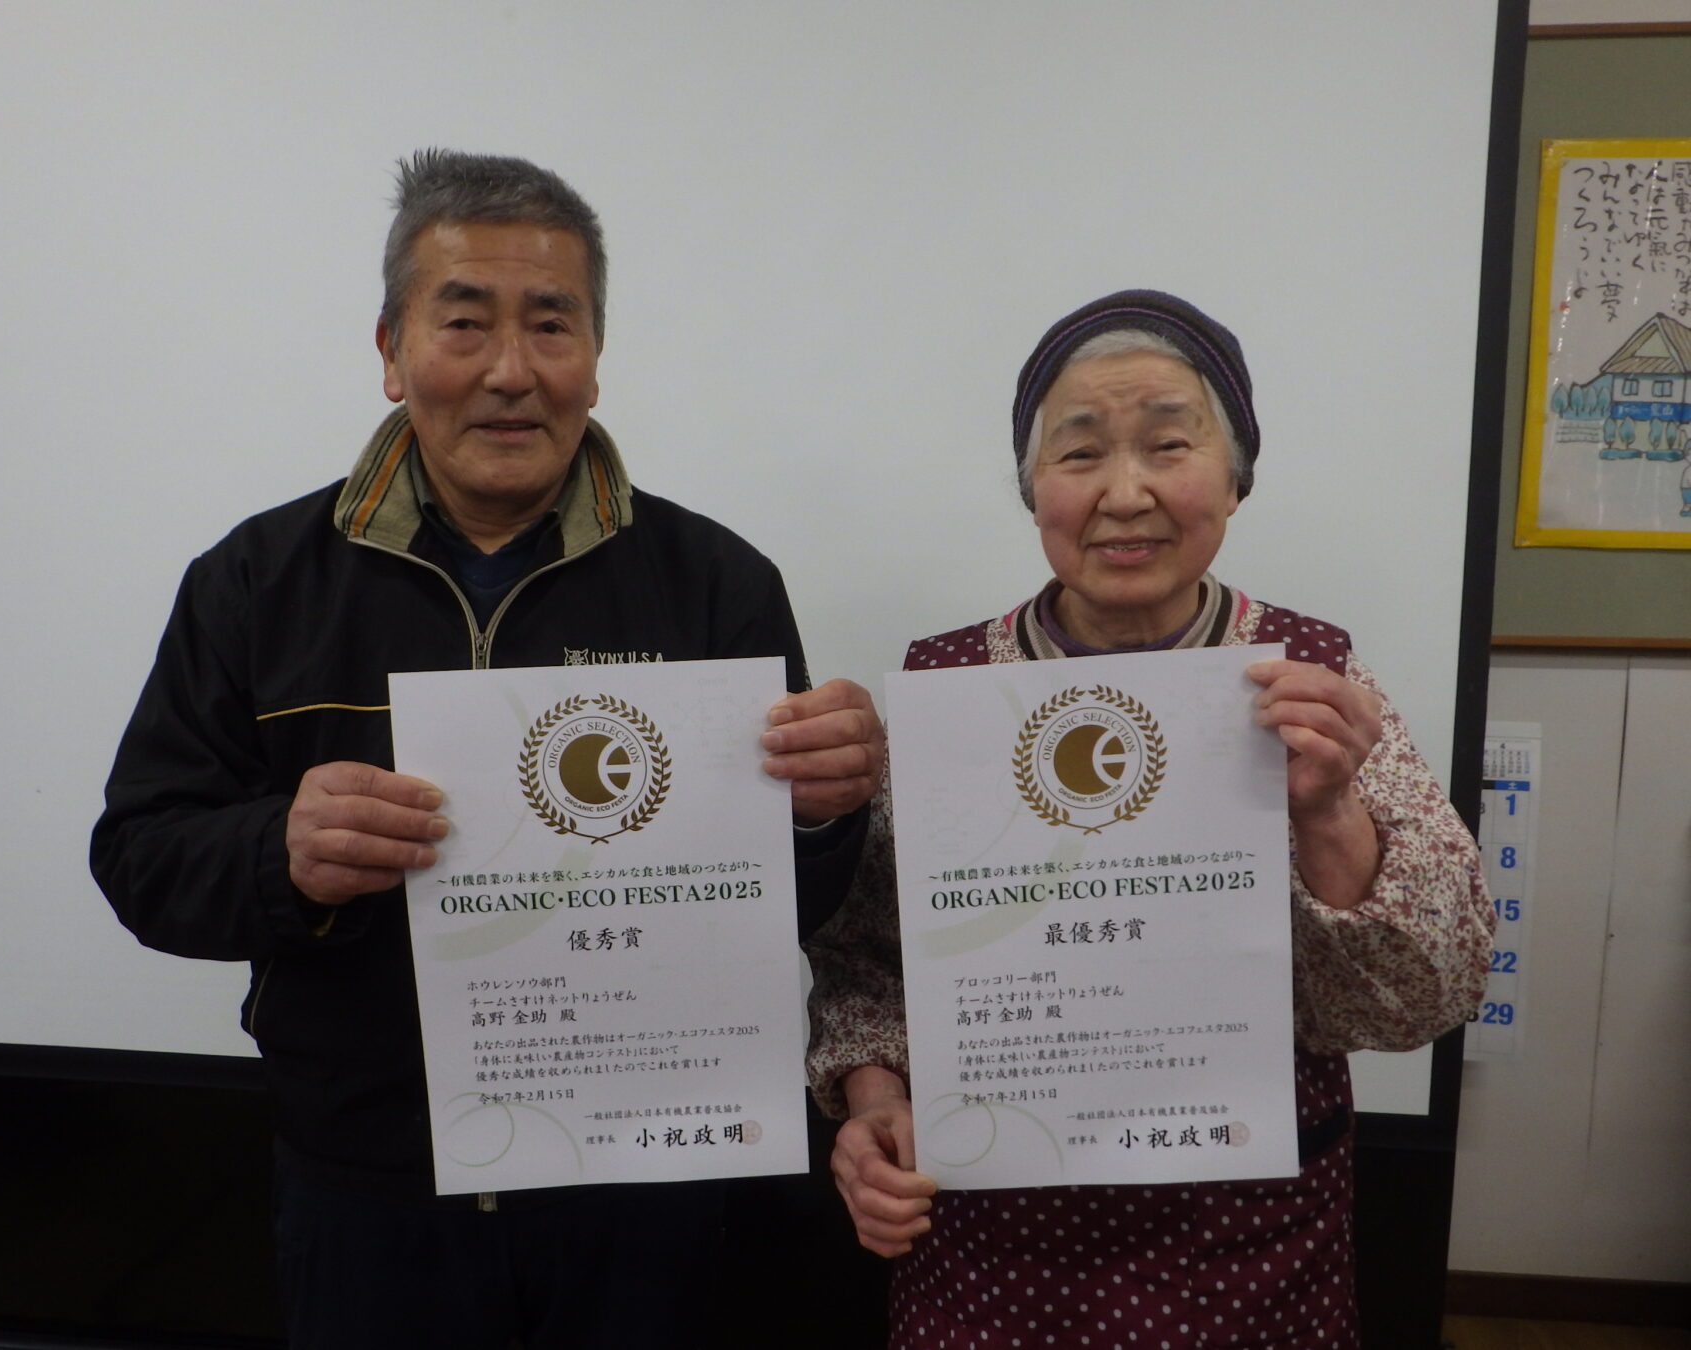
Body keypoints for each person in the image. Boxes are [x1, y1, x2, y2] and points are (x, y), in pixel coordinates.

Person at [90, 150, 885, 1350]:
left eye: (551, 324)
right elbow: (140, 857)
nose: (511, 371)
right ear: (392, 348)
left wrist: (825, 813)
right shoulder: (257, 583)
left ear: (596, 358)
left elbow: (786, 901)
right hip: (370, 1189)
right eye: (464, 322)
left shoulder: (714, 583)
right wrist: (280, 853)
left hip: (646, 1179)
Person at [805, 290, 1493, 1349]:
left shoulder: (1310, 678)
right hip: (991, 1239)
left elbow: (1426, 992)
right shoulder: (950, 688)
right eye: (1078, 455)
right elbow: (867, 961)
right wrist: (871, 1100)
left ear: (1235, 476)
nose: (1125, 492)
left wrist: (1327, 814)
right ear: (1033, 488)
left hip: (1247, 1239)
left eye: (1169, 444)